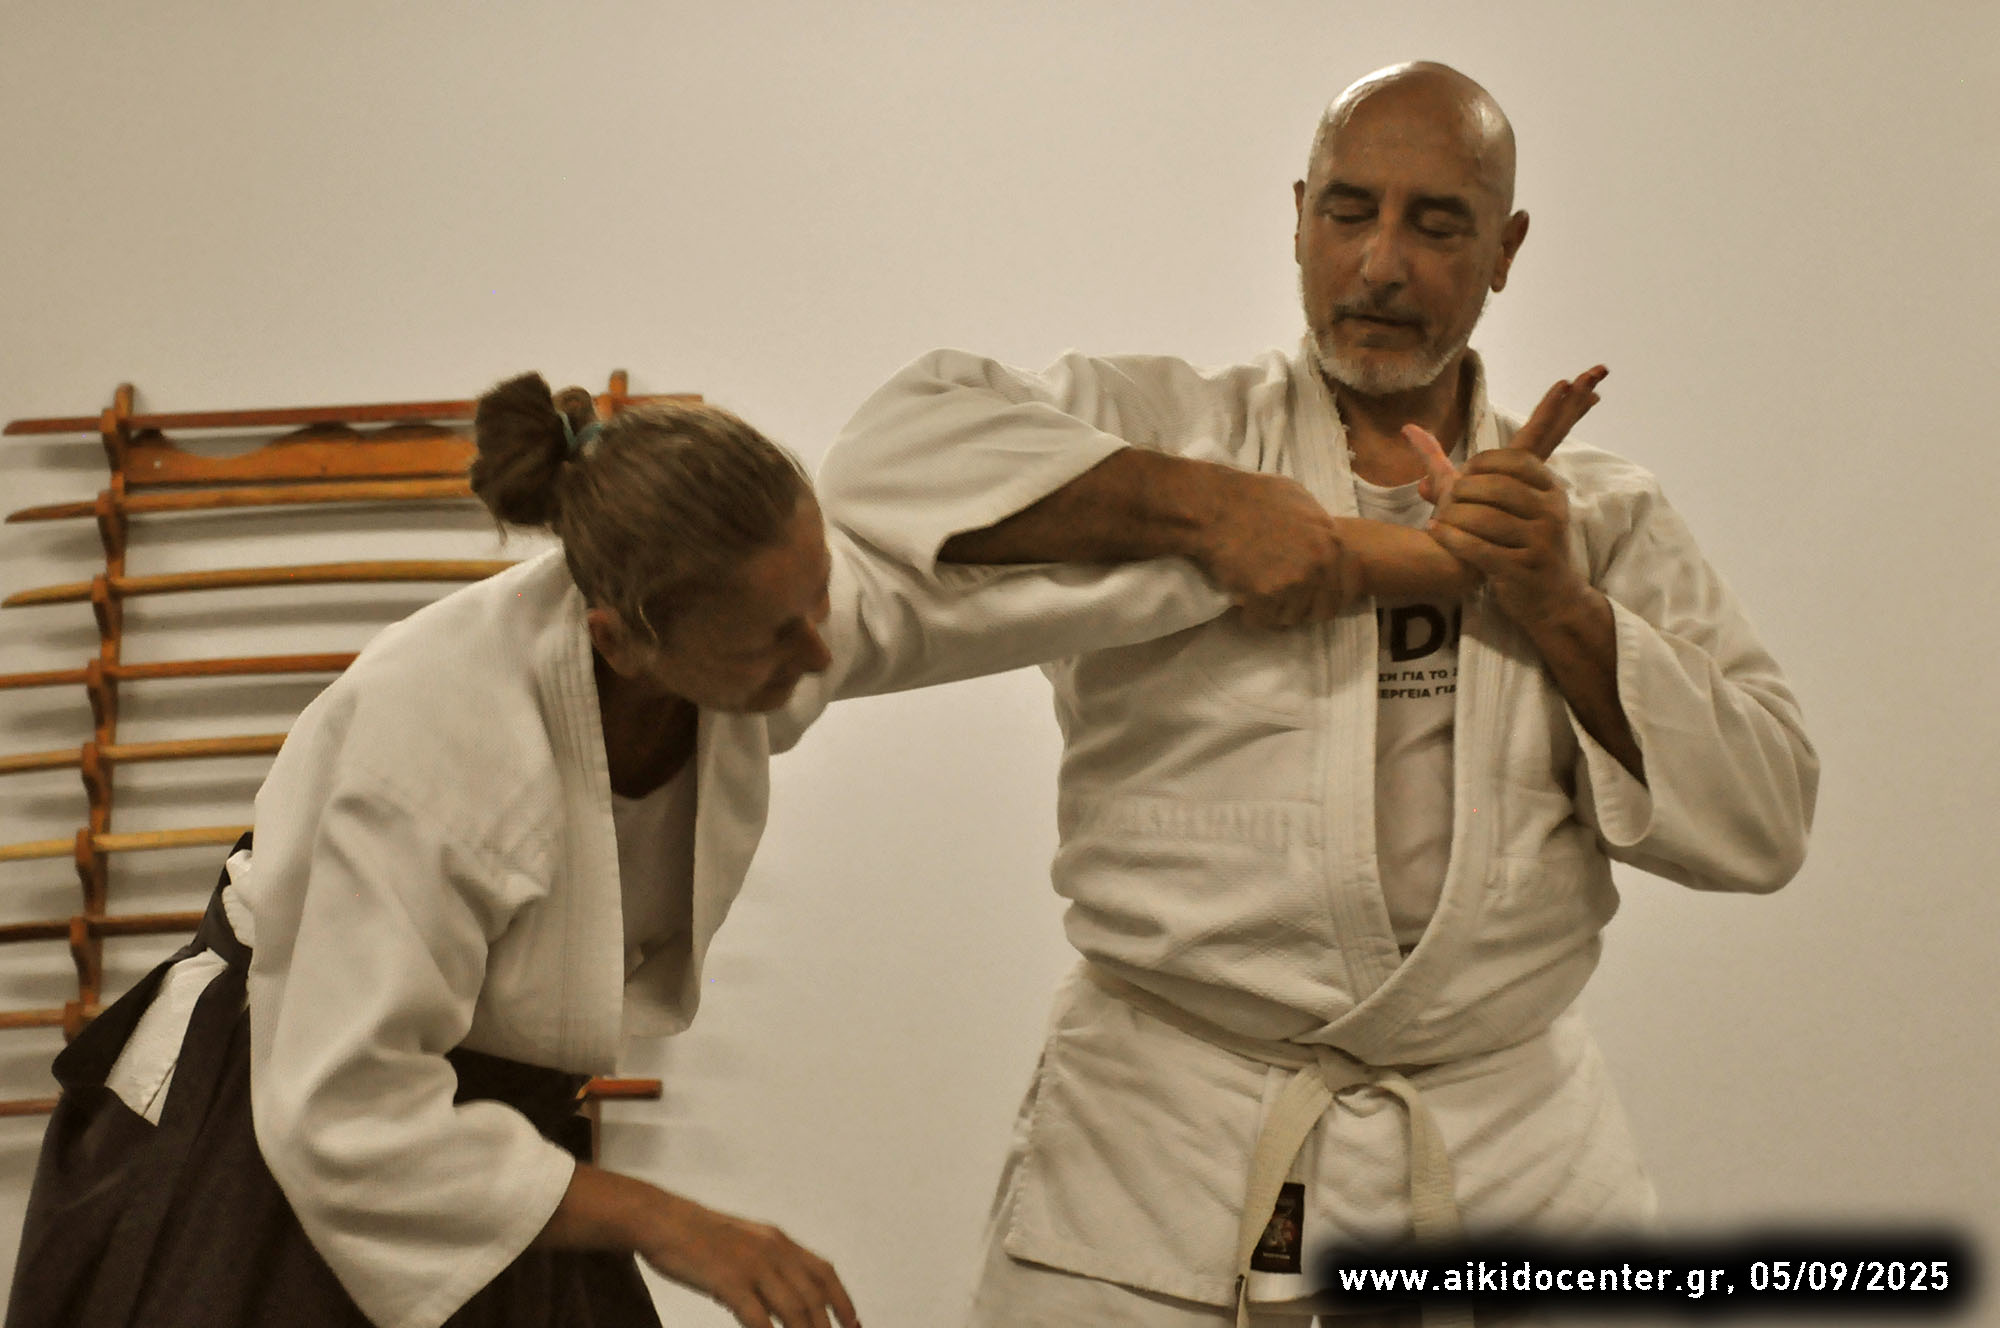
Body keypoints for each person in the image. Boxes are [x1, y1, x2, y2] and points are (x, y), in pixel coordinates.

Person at [814, 62, 1819, 1327]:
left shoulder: (1593, 516)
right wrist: (1200, 509)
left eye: (1435, 224)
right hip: (1157, 1150)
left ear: (1504, 250)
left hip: (1507, 1153)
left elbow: (1764, 820)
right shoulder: (1166, 434)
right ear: (1298, 218)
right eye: (1348, 212)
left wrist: (1563, 608)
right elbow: (881, 459)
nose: (1380, 264)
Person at [2, 373, 1293, 1328]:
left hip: (485, 1128)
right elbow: (341, 1112)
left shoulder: (740, 622)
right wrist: (682, 1225)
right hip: (267, 1139)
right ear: (623, 639)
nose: (819, 653)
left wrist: (1256, 557)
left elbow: (954, 612)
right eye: (778, 638)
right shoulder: (441, 754)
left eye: (816, 601)